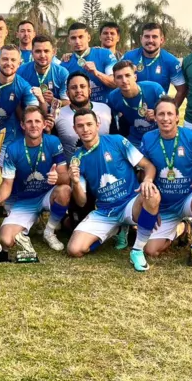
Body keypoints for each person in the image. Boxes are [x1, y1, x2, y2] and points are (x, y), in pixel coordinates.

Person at [66, 109, 162, 272]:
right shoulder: (77, 159)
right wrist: (75, 182)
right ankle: (116, 229)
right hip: (105, 211)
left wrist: (147, 181)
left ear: (98, 125)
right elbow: (82, 201)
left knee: (151, 194)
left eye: (89, 124)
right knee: (74, 250)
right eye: (80, 126)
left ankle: (137, 250)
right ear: (75, 129)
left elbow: (148, 166)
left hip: (131, 203)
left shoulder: (117, 141)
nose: (85, 129)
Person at [139, 97, 192, 258]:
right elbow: (143, 170)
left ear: (177, 117)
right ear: (155, 117)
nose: (165, 118)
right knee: (151, 251)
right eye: (161, 114)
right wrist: (150, 207)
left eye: (169, 114)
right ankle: (182, 228)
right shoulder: (148, 138)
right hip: (164, 205)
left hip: (188, 199)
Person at [0, 107, 72, 252]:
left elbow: (65, 178)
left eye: (37, 121)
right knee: (6, 240)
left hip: (46, 195)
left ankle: (49, 232)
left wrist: (57, 178)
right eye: (29, 122)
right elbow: (7, 183)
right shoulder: (12, 149)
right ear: (22, 125)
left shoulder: (53, 142)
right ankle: (35, 220)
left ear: (44, 124)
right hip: (23, 200)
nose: (34, 125)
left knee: (64, 190)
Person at [52, 72, 115, 161]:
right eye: (74, 87)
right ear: (67, 93)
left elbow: (115, 140)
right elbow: (53, 148)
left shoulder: (105, 109)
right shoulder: (57, 115)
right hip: (74, 169)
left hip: (105, 163)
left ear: (89, 90)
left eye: (82, 86)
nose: (78, 90)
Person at [107, 60, 165, 149]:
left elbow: (171, 112)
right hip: (135, 140)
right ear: (114, 80)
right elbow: (114, 123)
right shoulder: (113, 98)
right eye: (119, 77)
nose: (124, 80)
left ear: (135, 77)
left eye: (127, 75)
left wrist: (158, 114)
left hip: (159, 136)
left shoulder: (154, 88)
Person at [60, 22, 118, 103]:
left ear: (88, 38)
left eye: (81, 37)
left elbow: (116, 83)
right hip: (79, 113)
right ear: (69, 41)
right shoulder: (64, 64)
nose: (77, 41)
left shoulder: (105, 54)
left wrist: (96, 73)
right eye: (73, 38)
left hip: (106, 110)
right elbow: (64, 95)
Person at [121, 23, 184, 94]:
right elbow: (117, 82)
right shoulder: (128, 57)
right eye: (147, 36)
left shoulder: (171, 61)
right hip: (132, 104)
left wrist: (171, 105)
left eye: (154, 37)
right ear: (141, 39)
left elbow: (181, 90)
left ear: (161, 39)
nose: (150, 40)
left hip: (159, 104)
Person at [16, 35, 70, 113]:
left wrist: (53, 100)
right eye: (38, 51)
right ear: (32, 52)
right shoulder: (21, 71)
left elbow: (67, 102)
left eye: (46, 51)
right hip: (29, 117)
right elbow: (16, 103)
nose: (42, 55)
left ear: (53, 52)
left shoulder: (62, 72)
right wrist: (23, 121)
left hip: (54, 117)